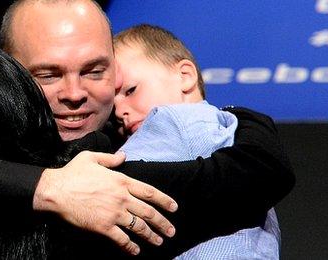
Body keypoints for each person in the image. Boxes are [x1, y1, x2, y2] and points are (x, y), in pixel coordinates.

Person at [0, 0, 294, 258]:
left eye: (96, 71)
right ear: (10, 73)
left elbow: (258, 173)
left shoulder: (144, 159)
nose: (74, 93)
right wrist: (48, 188)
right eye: (48, 75)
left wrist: (246, 120)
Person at [113, 24, 280, 259]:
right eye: (111, 107)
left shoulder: (173, 120)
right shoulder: (228, 129)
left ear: (185, 76)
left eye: (131, 91)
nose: (119, 111)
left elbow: (107, 184)